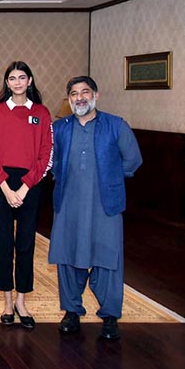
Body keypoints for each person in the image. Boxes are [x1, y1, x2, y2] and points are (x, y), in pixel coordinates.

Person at [49, 76, 142, 340]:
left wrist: (110, 179)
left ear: (96, 96)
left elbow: (133, 160)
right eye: (74, 94)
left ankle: (110, 316)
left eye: (85, 92)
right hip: (68, 203)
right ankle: (71, 311)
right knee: (67, 256)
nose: (80, 98)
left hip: (105, 204)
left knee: (108, 257)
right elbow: (51, 162)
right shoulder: (60, 128)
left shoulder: (116, 125)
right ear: (69, 99)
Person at [0, 62, 53, 329]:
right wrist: (5, 186)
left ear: (30, 80)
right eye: (12, 78)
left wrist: (24, 187)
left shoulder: (42, 113)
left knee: (25, 244)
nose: (18, 82)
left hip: (30, 184)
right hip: (1, 184)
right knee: (3, 244)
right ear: (7, 83)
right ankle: (8, 301)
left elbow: (45, 155)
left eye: (22, 77)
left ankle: (22, 301)